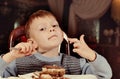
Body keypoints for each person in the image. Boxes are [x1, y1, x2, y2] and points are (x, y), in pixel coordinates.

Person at [0, 10, 112, 79]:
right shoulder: (18, 64)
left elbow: (105, 75)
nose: (51, 30)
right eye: (43, 28)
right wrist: (10, 56)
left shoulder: (76, 64)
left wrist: (91, 55)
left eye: (54, 26)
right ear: (32, 42)